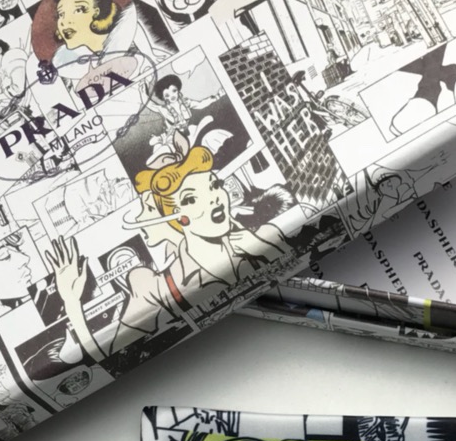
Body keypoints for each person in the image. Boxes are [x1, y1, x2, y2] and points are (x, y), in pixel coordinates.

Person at [46, 146, 289, 363]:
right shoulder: (153, 287)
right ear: (177, 217)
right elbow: (106, 357)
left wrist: (255, 243)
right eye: (191, 199)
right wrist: (71, 302)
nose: (214, 199)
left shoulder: (267, 234)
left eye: (214, 185)